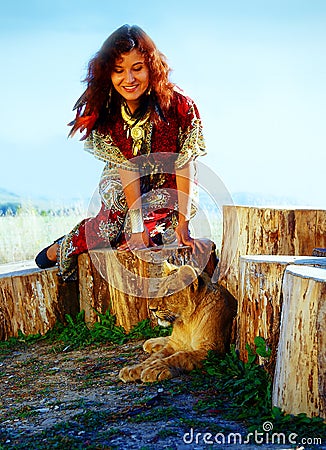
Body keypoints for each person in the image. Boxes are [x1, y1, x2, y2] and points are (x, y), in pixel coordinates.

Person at [35, 24, 207, 281]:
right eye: (119, 71)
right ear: (108, 74)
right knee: (113, 226)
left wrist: (183, 222)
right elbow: (128, 171)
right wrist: (136, 226)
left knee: (150, 237)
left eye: (137, 68)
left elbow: (184, 164)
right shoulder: (109, 112)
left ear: (152, 66)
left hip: (167, 183)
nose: (129, 79)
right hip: (123, 181)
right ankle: (61, 248)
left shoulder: (180, 105)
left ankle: (132, 231)